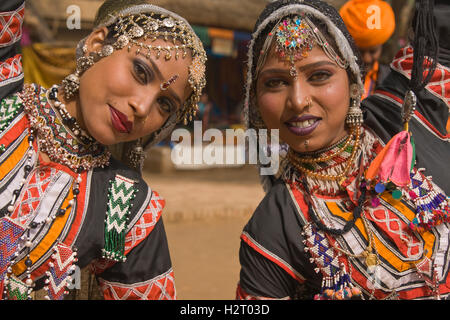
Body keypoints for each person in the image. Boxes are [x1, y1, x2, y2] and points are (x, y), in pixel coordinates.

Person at [237, 0, 449, 300]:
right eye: (275, 82)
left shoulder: (400, 114)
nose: (298, 100)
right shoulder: (274, 227)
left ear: (352, 80)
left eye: (319, 75)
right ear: (256, 101)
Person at [0, 0, 206, 300]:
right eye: (140, 72)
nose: (143, 106)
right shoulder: (5, 95)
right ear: (97, 45)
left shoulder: (123, 205)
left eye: (165, 105)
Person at [339, 0, 396, 100]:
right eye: (360, 51)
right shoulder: (337, 77)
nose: (367, 59)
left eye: (373, 51)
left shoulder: (391, 81)